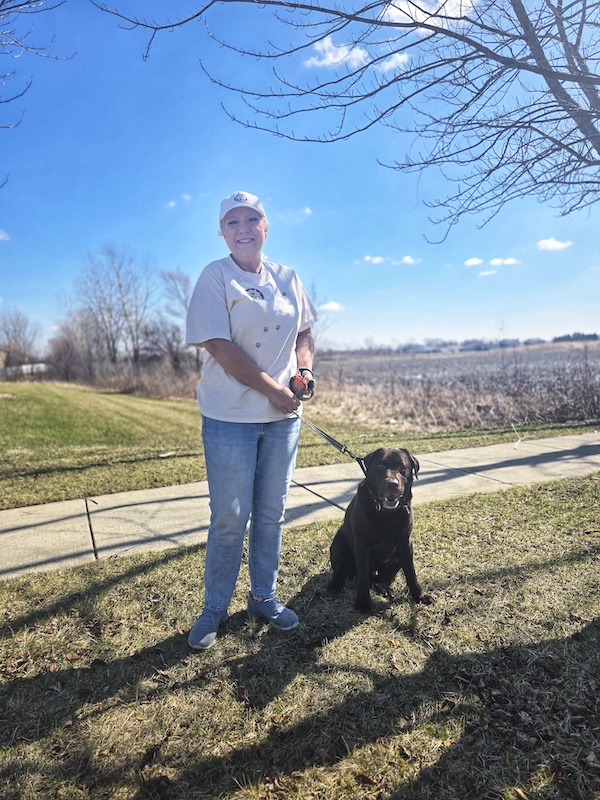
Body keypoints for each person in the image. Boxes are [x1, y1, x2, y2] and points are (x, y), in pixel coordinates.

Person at [185, 191, 318, 649]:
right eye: (232, 221)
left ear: (266, 226)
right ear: (222, 231)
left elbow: (304, 332)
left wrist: (303, 373)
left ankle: (263, 596)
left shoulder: (288, 277)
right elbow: (219, 348)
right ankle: (213, 610)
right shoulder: (215, 277)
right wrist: (273, 391)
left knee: (270, 513)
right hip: (229, 417)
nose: (243, 228)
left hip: (283, 417)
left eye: (252, 219)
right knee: (229, 516)